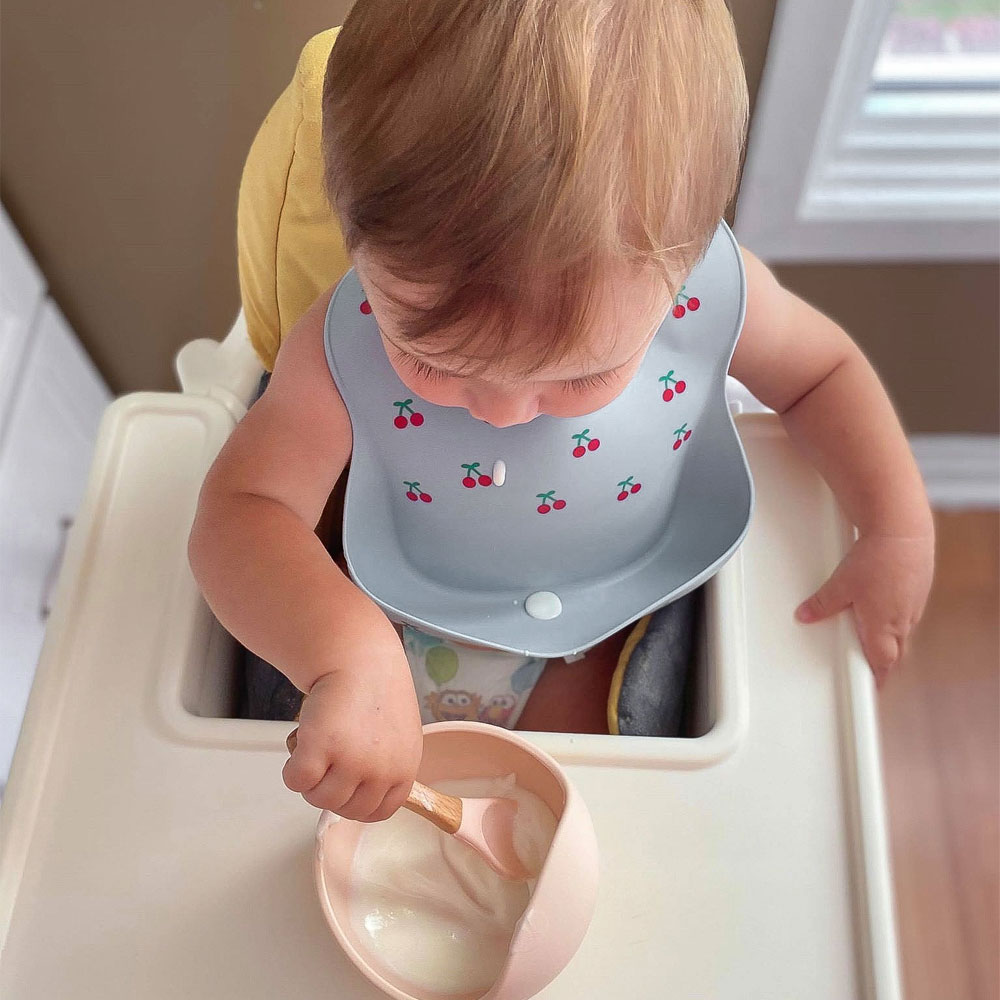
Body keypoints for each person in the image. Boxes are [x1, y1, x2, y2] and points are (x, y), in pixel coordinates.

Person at [188, 0, 934, 824]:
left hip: (612, 598)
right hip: (394, 597)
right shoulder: (338, 349)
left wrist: (895, 525)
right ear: (358, 243)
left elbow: (824, 373)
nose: (506, 412)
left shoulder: (713, 291)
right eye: (433, 360)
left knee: (595, 811)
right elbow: (243, 514)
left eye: (581, 375)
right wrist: (344, 650)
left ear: (681, 265)